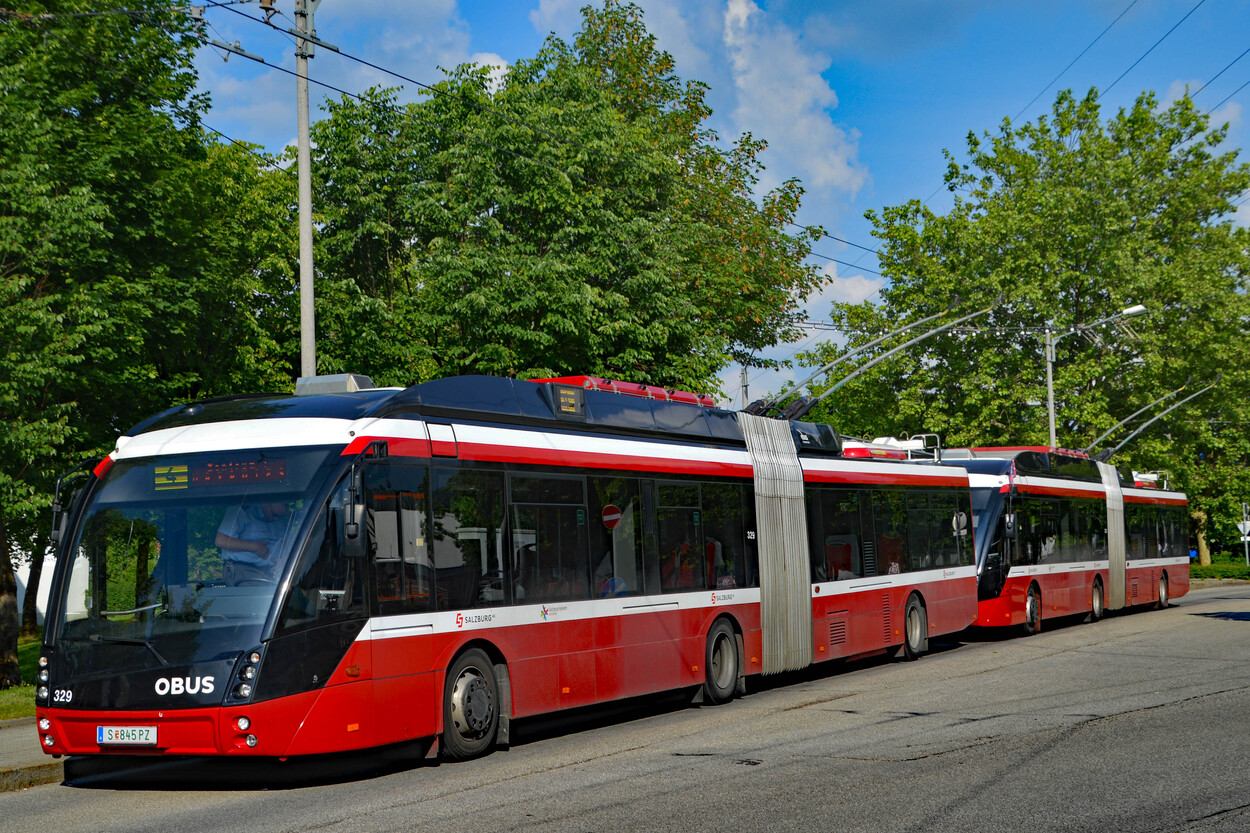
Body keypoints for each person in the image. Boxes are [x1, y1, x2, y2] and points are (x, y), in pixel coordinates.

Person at [216, 501, 290, 584]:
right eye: (274, 515)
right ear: (265, 503)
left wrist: (285, 559)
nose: (276, 519)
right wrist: (254, 547)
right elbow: (221, 540)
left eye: (279, 516)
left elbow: (285, 541)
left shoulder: (283, 517)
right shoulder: (241, 510)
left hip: (275, 572)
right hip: (245, 570)